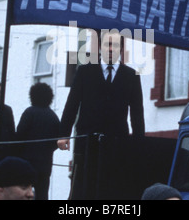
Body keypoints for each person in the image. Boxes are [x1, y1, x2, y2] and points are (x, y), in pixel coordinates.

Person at [57, 30, 145, 199]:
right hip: (87, 143)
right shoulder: (84, 72)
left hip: (117, 143)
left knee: (111, 190)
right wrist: (63, 134)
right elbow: (72, 105)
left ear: (121, 49)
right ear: (100, 48)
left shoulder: (131, 76)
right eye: (107, 44)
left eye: (115, 45)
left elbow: (137, 113)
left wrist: (139, 143)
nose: (111, 49)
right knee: (84, 190)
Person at [16, 83, 61, 200]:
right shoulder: (53, 116)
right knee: (42, 194)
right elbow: (56, 141)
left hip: (26, 162)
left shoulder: (29, 112)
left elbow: (19, 135)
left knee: (23, 193)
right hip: (45, 163)